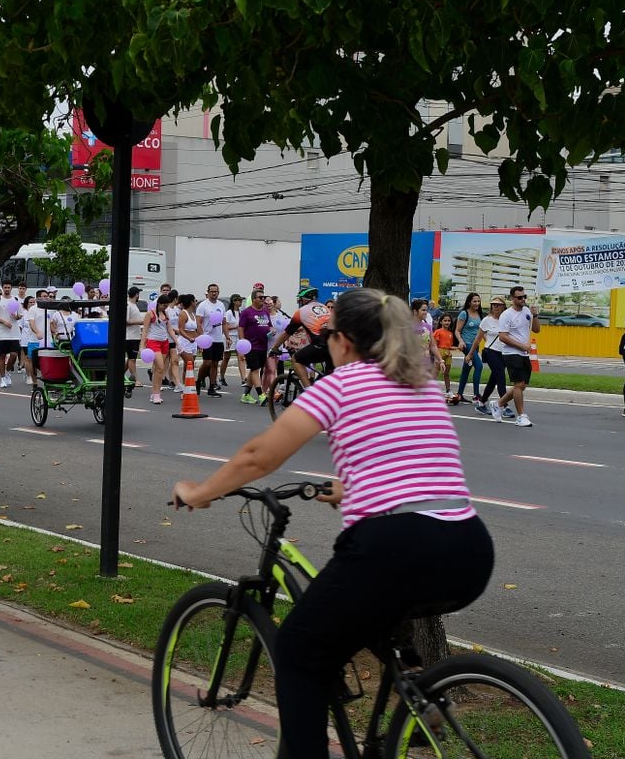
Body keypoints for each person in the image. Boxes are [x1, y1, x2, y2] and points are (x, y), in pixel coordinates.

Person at [171, 287, 494, 759]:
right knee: (374, 621)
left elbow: (260, 456)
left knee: (300, 653)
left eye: (329, 337)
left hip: (395, 547)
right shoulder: (420, 383)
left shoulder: (340, 385)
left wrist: (200, 493)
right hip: (468, 547)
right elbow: (411, 461)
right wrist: (347, 488)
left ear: (344, 341)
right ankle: (421, 694)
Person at [491, 285, 539, 427]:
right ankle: (521, 416)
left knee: (522, 385)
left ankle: (498, 404)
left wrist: (535, 315)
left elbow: (536, 330)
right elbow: (502, 337)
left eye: (524, 296)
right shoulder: (507, 315)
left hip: (524, 353)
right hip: (511, 353)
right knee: (518, 384)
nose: (523, 299)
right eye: (520, 297)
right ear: (513, 298)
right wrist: (521, 346)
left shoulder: (527, 311)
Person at [267, 287, 333, 387]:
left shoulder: (301, 312)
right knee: (328, 376)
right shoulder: (324, 308)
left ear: (307, 298)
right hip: (335, 344)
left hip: (321, 344)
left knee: (296, 359)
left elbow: (286, 333)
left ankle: (308, 391)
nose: (300, 301)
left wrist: (275, 348)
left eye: (301, 299)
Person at [473, 297, 508, 416]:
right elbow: (478, 339)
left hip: (503, 353)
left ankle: (482, 403)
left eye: (498, 305)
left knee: (493, 380)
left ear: (504, 307)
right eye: (493, 305)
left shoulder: (507, 320)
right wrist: (470, 353)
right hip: (491, 351)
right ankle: (504, 406)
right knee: (501, 379)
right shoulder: (486, 320)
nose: (495, 307)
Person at [238, 289, 273, 405]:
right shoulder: (246, 312)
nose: (263, 300)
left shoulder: (265, 312)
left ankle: (246, 395)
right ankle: (261, 395)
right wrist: (242, 343)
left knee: (255, 370)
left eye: (264, 297)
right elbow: (241, 328)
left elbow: (269, 326)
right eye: (261, 297)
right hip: (251, 346)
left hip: (263, 346)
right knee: (255, 370)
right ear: (254, 299)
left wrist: (272, 330)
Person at [142, 293, 176, 405]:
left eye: (167, 306)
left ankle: (154, 393)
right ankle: (157, 394)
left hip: (164, 342)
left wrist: (177, 342)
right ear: (159, 303)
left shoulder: (165, 314)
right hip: (153, 342)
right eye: (163, 305)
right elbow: (145, 330)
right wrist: (142, 346)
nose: (165, 307)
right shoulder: (150, 314)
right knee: (160, 367)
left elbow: (170, 330)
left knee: (158, 370)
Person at [195, 284, 226, 397]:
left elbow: (224, 322)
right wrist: (201, 337)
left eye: (216, 291)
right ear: (208, 292)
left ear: (218, 292)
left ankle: (212, 387)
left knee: (215, 363)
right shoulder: (203, 305)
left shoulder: (221, 305)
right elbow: (198, 322)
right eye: (212, 291)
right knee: (207, 362)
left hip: (218, 338)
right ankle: (198, 381)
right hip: (207, 338)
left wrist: (227, 336)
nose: (214, 293)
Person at [0, 281, 20, 388]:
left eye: (9, 287)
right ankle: (2, 378)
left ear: (11, 288)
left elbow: (20, 314)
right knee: (1, 356)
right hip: (1, 333)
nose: (7, 289)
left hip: (14, 333)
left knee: (14, 354)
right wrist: (4, 322)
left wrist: (16, 317)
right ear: (2, 288)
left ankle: (7, 372)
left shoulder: (15, 300)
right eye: (5, 287)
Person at [454, 293, 484, 403]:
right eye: (474, 301)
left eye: (478, 301)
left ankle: (460, 394)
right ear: (469, 302)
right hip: (467, 345)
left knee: (467, 368)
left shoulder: (480, 314)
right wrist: (461, 341)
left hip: (476, 345)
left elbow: (482, 332)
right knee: (479, 366)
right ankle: (476, 395)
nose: (477, 303)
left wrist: (489, 342)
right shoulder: (464, 313)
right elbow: (457, 330)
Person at [220, 293, 243, 389]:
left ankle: (243, 378)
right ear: (234, 301)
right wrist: (235, 327)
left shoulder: (241, 313)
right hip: (229, 336)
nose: (241, 302)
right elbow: (225, 326)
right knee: (226, 358)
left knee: (241, 357)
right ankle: (221, 376)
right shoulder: (229, 313)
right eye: (239, 300)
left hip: (238, 337)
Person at [433, 312, 456, 398]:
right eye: (445, 320)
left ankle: (448, 390)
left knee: (447, 373)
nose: (447, 322)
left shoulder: (450, 333)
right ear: (441, 322)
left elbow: (449, 346)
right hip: (440, 352)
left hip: (448, 354)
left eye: (449, 321)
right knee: (435, 372)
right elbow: (434, 345)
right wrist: (437, 356)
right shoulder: (438, 332)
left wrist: (456, 348)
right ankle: (431, 389)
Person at [124, 287, 144, 384]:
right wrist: (141, 322)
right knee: (132, 359)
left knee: (131, 359)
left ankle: (117, 375)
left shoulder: (134, 305)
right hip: (130, 336)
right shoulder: (128, 305)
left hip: (135, 336)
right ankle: (135, 379)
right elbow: (126, 321)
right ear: (136, 294)